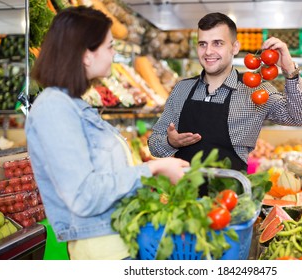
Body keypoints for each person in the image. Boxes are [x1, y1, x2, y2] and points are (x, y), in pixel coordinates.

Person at [25, 6, 189, 260]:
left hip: (120, 243)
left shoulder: (76, 106)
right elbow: (83, 196)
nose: (113, 54)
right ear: (86, 55)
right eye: (110, 46)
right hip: (102, 253)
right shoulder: (54, 108)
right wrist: (153, 169)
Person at [148, 12, 302, 172]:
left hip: (232, 195)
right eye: (202, 44)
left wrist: (290, 70)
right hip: (184, 195)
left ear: (235, 47)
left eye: (217, 43)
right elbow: (154, 145)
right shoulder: (182, 89)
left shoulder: (256, 91)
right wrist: (170, 142)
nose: (208, 51)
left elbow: (300, 117)